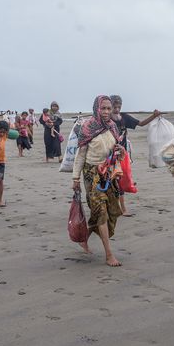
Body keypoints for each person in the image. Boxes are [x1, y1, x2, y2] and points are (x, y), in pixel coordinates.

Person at [72, 95, 125, 267]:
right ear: (97, 108)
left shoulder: (113, 127)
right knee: (100, 210)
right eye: (103, 108)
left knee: (111, 211)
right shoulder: (88, 128)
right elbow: (80, 156)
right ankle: (109, 255)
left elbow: (117, 152)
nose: (107, 112)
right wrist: (75, 178)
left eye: (109, 108)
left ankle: (84, 238)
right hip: (91, 174)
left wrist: (120, 151)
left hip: (108, 174)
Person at [109, 95, 162, 216]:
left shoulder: (124, 118)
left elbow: (141, 123)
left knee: (120, 180)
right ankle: (113, 206)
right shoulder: (106, 119)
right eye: (114, 107)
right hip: (107, 155)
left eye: (119, 106)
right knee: (110, 180)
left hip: (121, 155)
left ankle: (122, 209)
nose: (116, 109)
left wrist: (154, 116)